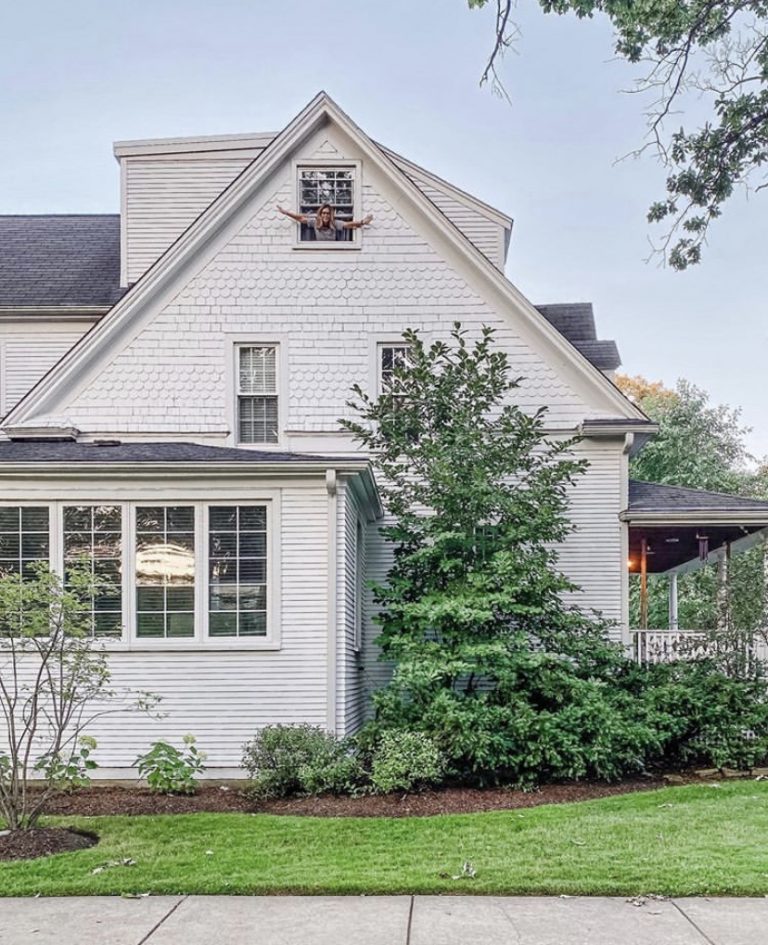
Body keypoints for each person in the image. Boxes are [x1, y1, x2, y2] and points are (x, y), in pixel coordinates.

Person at [277, 203, 373, 241]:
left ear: (330, 215)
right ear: (320, 214)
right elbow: (301, 219)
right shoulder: (315, 222)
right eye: (323, 213)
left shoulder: (334, 223)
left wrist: (362, 222)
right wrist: (286, 212)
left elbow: (348, 225)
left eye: (327, 213)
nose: (325, 215)